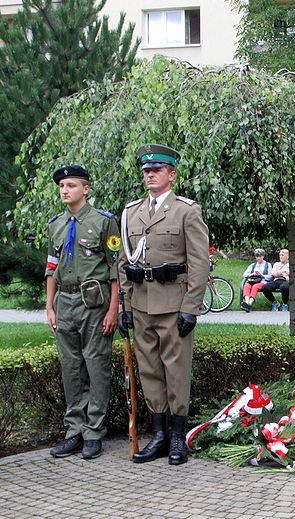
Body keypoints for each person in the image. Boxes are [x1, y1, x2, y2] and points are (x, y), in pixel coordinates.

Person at [117, 144, 209, 465]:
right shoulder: (131, 212)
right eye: (146, 171)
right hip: (141, 304)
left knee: (176, 370)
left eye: (156, 170)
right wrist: (124, 308)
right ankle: (158, 435)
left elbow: (199, 264)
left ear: (171, 175)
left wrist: (191, 306)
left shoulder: (186, 211)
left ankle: (177, 438)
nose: (150, 175)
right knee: (149, 370)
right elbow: (124, 262)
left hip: (173, 304)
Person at [45, 165, 120, 460]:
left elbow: (115, 269)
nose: (65, 191)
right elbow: (51, 267)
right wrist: (49, 306)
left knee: (96, 365)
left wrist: (113, 308)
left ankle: (93, 432)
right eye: (62, 186)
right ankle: (74, 430)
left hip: (95, 303)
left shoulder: (103, 222)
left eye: (72, 185)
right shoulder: (56, 224)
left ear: (86, 189)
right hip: (65, 302)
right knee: (71, 368)